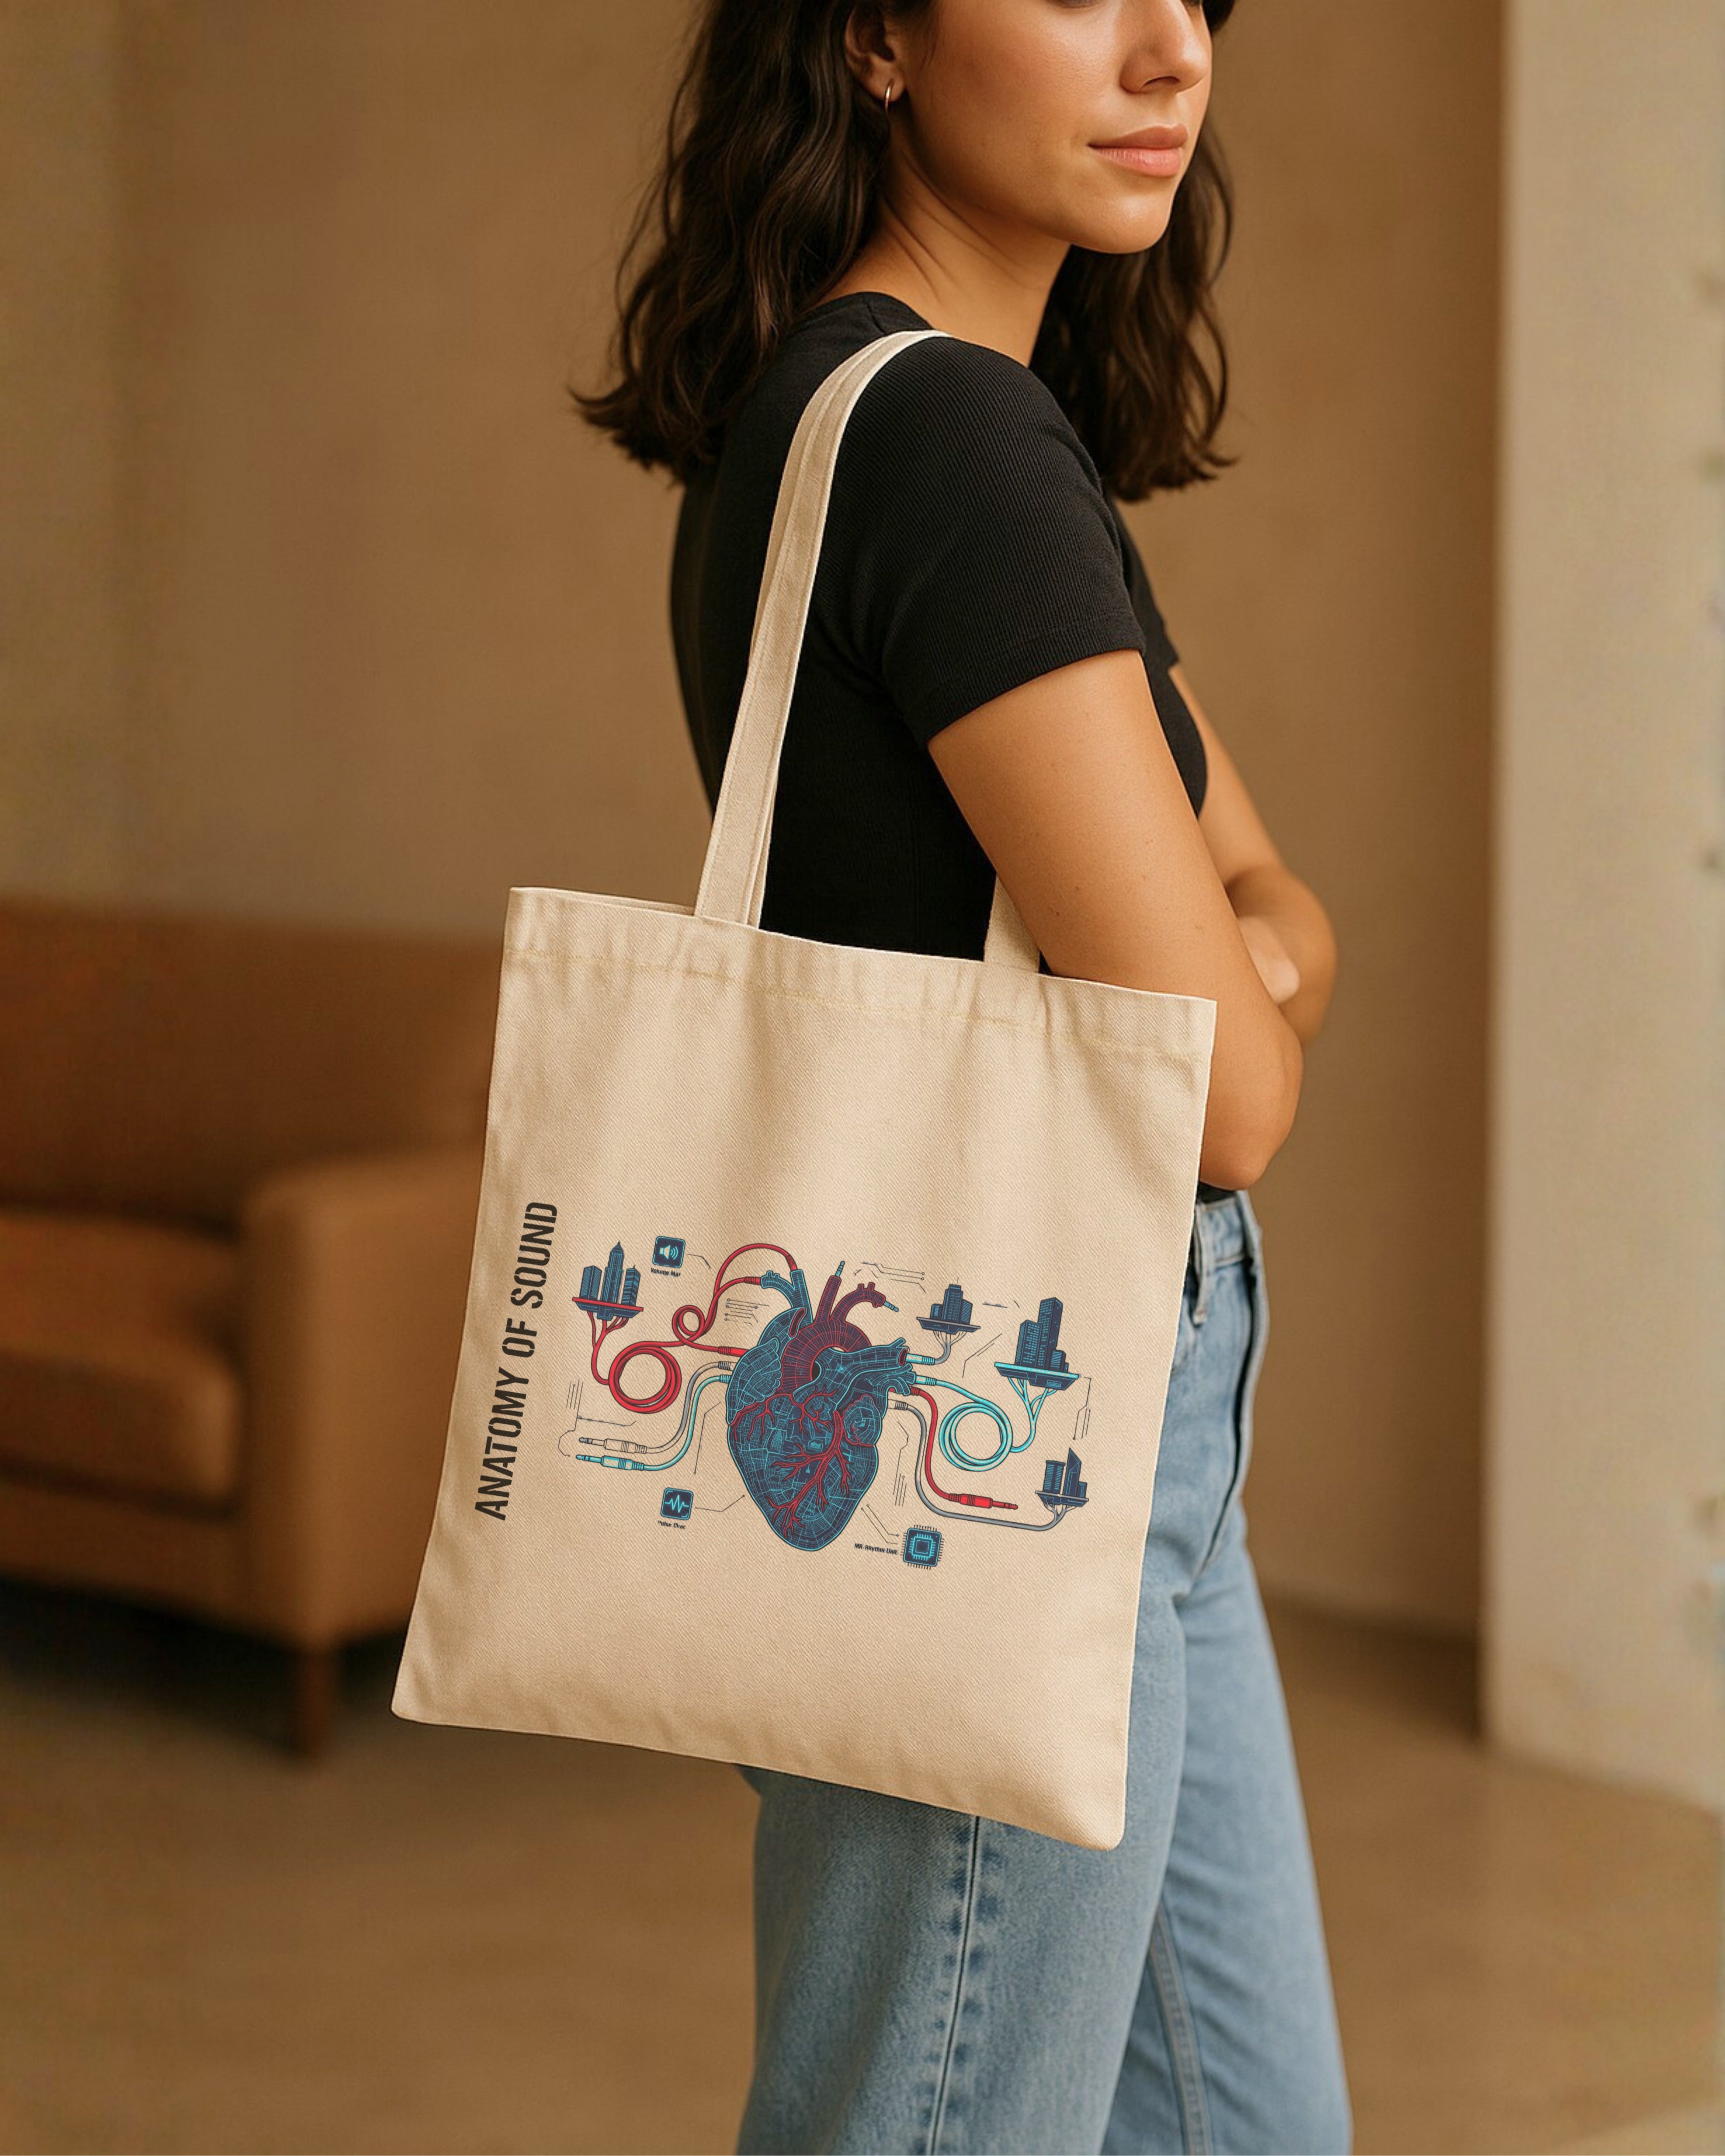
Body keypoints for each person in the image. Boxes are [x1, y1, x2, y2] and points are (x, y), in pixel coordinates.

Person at [576, 2, 1349, 2148]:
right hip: (994, 1427)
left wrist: (1249, 955)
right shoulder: (939, 448)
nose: (1168, 52)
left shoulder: (882, 426)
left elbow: (1262, 896)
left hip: (1086, 1428)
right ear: (878, 36)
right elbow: (1230, 1090)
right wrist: (1260, 970)